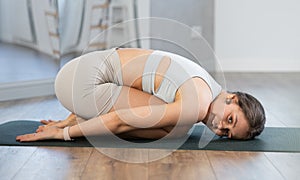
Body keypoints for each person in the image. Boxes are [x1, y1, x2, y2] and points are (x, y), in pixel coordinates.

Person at [16, 47, 266, 142]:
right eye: (230, 119)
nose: (219, 126)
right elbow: (124, 119)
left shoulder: (207, 84)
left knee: (175, 123)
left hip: (80, 72)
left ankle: (78, 115)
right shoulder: (199, 104)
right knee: (175, 129)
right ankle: (79, 118)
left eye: (226, 133)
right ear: (232, 98)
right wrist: (63, 134)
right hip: (82, 83)